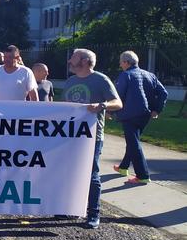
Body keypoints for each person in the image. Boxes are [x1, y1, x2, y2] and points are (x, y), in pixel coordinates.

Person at [62, 48, 123, 229]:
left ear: (85, 61)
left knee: (91, 174)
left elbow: (118, 103)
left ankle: (93, 212)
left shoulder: (101, 80)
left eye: (73, 58)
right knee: (70, 172)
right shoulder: (70, 81)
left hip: (92, 136)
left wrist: (101, 105)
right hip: (70, 135)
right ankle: (71, 207)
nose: (69, 61)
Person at [114, 51, 168, 185]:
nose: (120, 65)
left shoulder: (126, 75)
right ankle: (123, 168)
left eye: (121, 62)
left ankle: (142, 175)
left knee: (134, 143)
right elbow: (163, 93)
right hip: (145, 115)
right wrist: (156, 109)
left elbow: (118, 95)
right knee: (133, 141)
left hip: (129, 115)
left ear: (126, 62)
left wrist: (110, 111)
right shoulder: (150, 75)